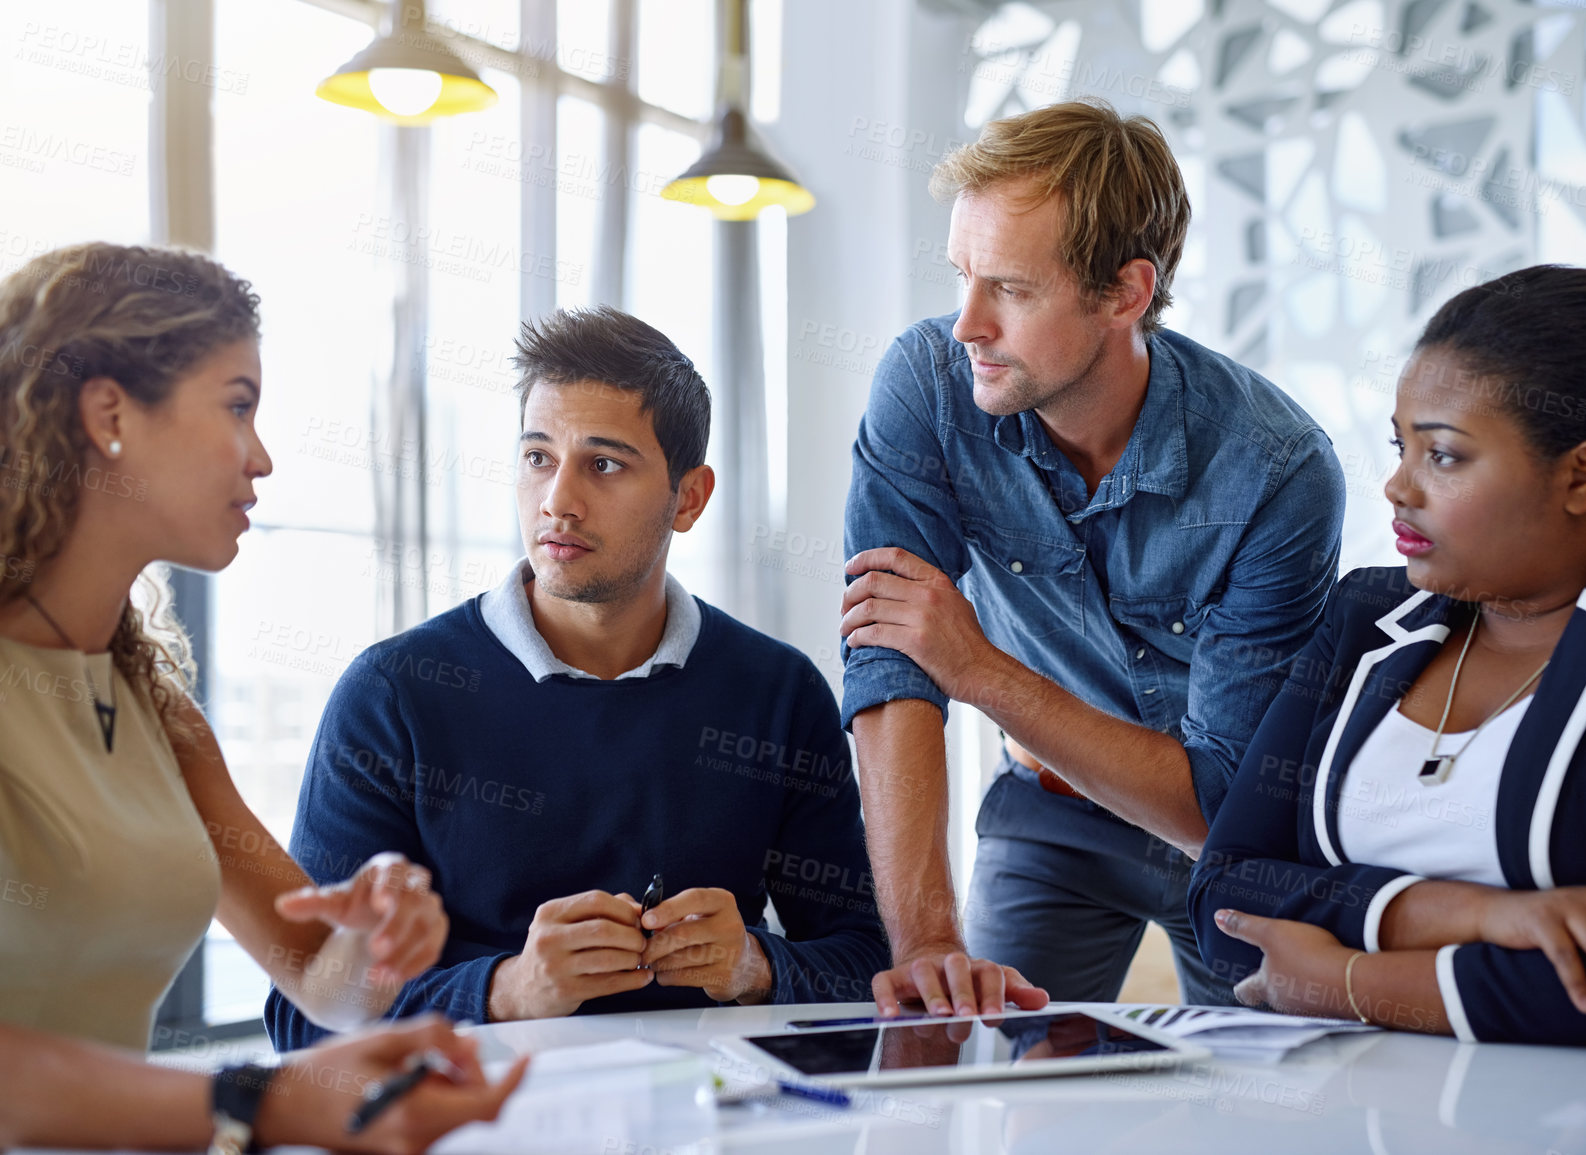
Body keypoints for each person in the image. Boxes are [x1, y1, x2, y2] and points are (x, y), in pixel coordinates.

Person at [0, 242, 522, 1150]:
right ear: (110, 412)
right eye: (237, 406)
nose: (264, 457)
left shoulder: (153, 704)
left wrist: (370, 935)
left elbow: (321, 978)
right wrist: (262, 1100)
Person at [839, 99, 1345, 1016]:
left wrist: (978, 669)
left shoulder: (1279, 470)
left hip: (1232, 840)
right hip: (1050, 809)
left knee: (1263, 1101)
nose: (966, 326)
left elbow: (1218, 800)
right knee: (983, 1064)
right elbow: (888, 659)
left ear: (1125, 292)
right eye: (961, 276)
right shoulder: (927, 383)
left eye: (1011, 289)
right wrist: (925, 944)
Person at [268, 305, 889, 1049]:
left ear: (688, 497)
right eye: (537, 457)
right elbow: (299, 1019)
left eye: (603, 464)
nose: (557, 500)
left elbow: (871, 963)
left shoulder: (777, 693)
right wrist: (505, 990)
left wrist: (755, 964)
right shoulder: (392, 693)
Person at [1188, 265, 1586, 1050]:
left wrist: (1345, 982)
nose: (1395, 486)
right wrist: (1482, 914)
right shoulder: (1367, 614)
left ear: (1582, 473)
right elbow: (1224, 896)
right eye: (1399, 444)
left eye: (1442, 455)